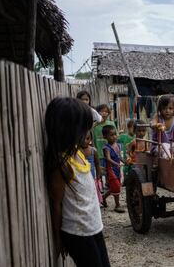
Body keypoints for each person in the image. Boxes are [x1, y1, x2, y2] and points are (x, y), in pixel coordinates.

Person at [44, 97, 110, 267]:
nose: (87, 132)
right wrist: (59, 239)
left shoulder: (77, 150)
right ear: (70, 129)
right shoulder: (62, 163)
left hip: (93, 226)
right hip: (78, 233)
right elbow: (56, 204)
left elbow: (96, 118)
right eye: (83, 127)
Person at [150, 94, 174, 159]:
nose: (167, 111)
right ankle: (168, 164)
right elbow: (152, 123)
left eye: (170, 108)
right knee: (164, 147)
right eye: (164, 108)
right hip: (159, 145)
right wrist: (156, 125)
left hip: (171, 145)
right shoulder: (158, 117)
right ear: (160, 109)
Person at [101, 125, 125, 213]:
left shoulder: (118, 145)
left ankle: (103, 197)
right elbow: (108, 158)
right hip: (111, 169)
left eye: (115, 134)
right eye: (111, 135)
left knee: (115, 186)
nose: (114, 136)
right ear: (105, 137)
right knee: (116, 186)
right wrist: (116, 164)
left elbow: (119, 156)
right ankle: (117, 205)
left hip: (117, 169)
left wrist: (125, 161)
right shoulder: (106, 148)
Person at [80, 131, 103, 206]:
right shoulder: (77, 151)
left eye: (87, 138)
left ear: (91, 139)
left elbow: (97, 164)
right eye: (82, 138)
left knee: (93, 194)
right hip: (81, 179)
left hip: (92, 178)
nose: (84, 141)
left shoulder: (93, 150)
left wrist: (99, 176)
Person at [118, 119, 135, 184]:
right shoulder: (124, 136)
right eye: (132, 128)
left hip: (133, 157)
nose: (134, 130)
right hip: (126, 157)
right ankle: (125, 182)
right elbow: (116, 139)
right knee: (125, 169)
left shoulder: (136, 137)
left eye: (135, 128)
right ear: (128, 128)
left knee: (133, 169)